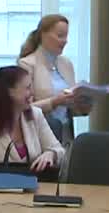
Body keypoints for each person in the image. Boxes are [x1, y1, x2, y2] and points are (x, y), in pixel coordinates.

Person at [17, 14, 92, 144]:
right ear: (43, 35)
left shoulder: (66, 64)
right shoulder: (27, 64)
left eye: (66, 36)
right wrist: (55, 102)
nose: (65, 41)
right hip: (40, 135)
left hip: (66, 134)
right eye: (60, 35)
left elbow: (68, 109)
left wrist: (83, 105)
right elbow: (24, 109)